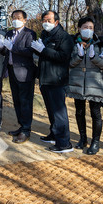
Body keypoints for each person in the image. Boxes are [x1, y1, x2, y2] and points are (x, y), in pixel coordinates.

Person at [31, 10, 74, 153]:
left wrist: (43, 50)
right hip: (45, 78)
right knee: (51, 110)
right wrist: (37, 49)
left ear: (56, 22)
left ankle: (64, 143)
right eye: (44, 20)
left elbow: (63, 57)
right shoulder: (45, 35)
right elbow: (44, 54)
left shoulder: (64, 37)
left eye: (49, 20)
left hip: (57, 79)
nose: (46, 23)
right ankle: (54, 134)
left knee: (59, 112)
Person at [67, 17, 103, 155]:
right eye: (85, 27)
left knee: (95, 113)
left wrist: (94, 58)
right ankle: (82, 138)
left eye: (91, 28)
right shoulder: (72, 43)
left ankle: (95, 142)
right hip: (77, 82)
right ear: (79, 28)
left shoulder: (100, 43)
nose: (88, 30)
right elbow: (68, 63)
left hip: (95, 83)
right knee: (79, 112)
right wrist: (79, 57)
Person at [0, 10, 37, 143]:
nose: (15, 20)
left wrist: (12, 47)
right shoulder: (9, 33)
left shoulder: (30, 34)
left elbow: (29, 51)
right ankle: (21, 126)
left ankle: (26, 130)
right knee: (17, 101)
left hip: (24, 73)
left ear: (25, 20)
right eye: (13, 17)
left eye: (18, 18)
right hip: (11, 71)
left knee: (26, 102)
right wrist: (1, 47)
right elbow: (5, 52)